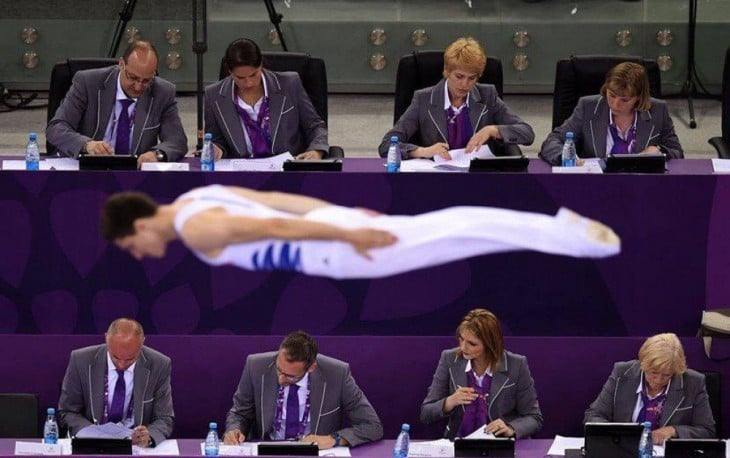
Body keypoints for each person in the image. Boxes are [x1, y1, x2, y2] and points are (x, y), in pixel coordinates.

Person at [100, 184, 620, 279]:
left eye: (131, 245)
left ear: (141, 223)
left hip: (332, 251)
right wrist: (342, 213)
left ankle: (566, 233)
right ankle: (562, 234)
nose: (141, 254)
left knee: (451, 232)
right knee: (452, 235)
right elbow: (279, 198)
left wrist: (349, 236)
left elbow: (274, 223)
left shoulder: (196, 230)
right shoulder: (195, 197)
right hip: (330, 225)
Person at [378, 37, 534, 160]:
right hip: (437, 178)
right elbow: (386, 145)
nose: (465, 84)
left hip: (477, 177)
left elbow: (527, 134)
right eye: (459, 76)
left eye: (472, 78)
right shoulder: (423, 99)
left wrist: (493, 130)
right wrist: (423, 151)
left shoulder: (488, 96)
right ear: (447, 71)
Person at [223, 331, 383, 449]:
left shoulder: (337, 374)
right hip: (268, 450)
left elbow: (372, 426)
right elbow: (239, 413)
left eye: (290, 376)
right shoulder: (256, 365)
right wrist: (234, 430)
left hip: (314, 453)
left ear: (311, 368)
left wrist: (333, 439)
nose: (281, 378)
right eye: (279, 369)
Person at [46, 40, 188, 167]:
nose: (138, 87)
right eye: (133, 78)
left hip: (135, 175)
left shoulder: (163, 92)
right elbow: (56, 128)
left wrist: (157, 154)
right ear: (121, 64)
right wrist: (86, 145)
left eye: (146, 81)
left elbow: (177, 140)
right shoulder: (87, 82)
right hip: (89, 170)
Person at [421, 309, 543, 439]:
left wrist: (510, 428)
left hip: (500, 445)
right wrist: (450, 401)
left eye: (472, 344)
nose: (463, 348)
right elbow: (426, 413)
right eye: (461, 339)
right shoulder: (449, 359)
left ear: (490, 344)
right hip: (458, 444)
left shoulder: (516, 365)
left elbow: (534, 418)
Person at [204, 38, 328, 160]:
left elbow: (314, 125)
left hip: (286, 169)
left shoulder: (289, 84)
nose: (248, 83)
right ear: (230, 71)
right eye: (240, 78)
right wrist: (216, 149)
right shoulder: (214, 95)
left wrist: (316, 150)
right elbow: (216, 139)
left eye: (253, 75)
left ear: (261, 65)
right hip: (242, 171)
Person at [57, 318, 174, 447]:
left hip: (135, 446)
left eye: (130, 359)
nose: (121, 364)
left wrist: (149, 436)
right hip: (93, 444)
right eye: (115, 357)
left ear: (142, 342)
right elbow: (67, 411)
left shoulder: (159, 364)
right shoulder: (81, 360)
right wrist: (90, 432)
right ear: (106, 338)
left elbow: (165, 418)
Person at [540, 62, 683, 165]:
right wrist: (564, 157)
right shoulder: (587, 107)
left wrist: (659, 150)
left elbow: (677, 152)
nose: (615, 104)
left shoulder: (658, 110)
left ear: (639, 96)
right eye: (612, 95)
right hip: (596, 185)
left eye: (625, 99)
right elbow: (553, 141)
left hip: (641, 185)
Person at [584, 333, 715, 444]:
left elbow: (707, 431)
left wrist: (673, 431)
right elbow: (593, 416)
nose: (658, 380)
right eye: (653, 373)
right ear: (643, 365)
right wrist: (620, 434)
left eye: (666, 375)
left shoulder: (693, 382)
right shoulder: (621, 374)